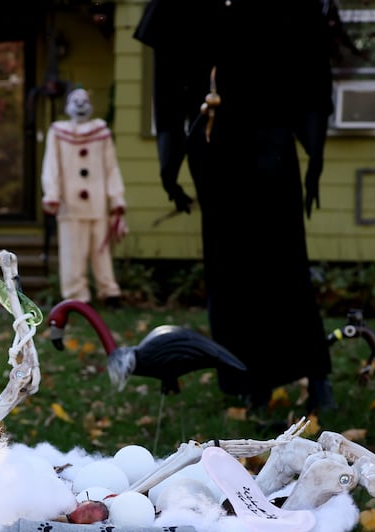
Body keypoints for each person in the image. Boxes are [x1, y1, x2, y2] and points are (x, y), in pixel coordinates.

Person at [135, 0, 340, 414]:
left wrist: (314, 155)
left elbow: (313, 70)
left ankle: (315, 376)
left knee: (286, 263)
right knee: (231, 269)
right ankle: (251, 379)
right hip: (216, 147)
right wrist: (168, 163)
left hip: (272, 144)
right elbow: (167, 86)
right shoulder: (179, 8)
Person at [41, 87, 127, 306]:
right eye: (75, 101)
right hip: (70, 204)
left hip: (98, 202)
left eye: (83, 101)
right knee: (72, 252)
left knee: (101, 250)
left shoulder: (101, 132)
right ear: (69, 105)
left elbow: (111, 168)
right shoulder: (58, 133)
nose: (80, 105)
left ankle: (109, 292)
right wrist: (52, 193)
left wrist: (116, 198)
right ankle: (76, 296)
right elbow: (51, 165)